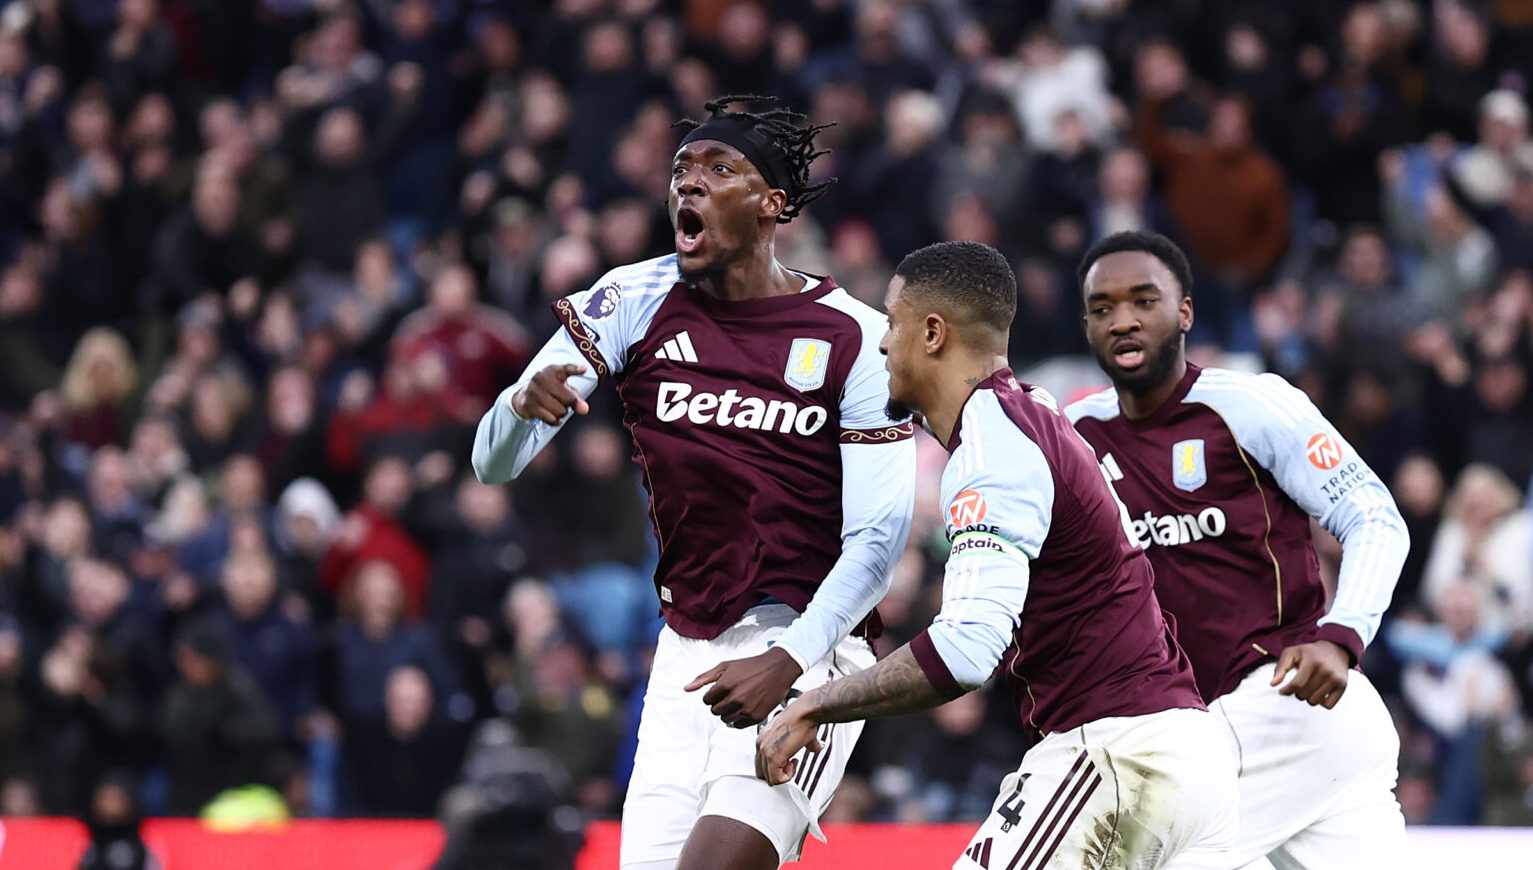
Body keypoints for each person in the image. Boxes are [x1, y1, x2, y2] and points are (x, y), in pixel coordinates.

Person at [471, 95, 916, 870]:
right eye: (682, 169)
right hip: (685, 657)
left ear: (771, 205)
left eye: (720, 169)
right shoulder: (631, 300)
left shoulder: (853, 336)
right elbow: (491, 462)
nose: (690, 183)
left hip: (811, 650)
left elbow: (878, 541)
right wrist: (516, 406)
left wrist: (789, 663)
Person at [756, 241, 1237, 869]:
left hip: (1118, 753)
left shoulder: (993, 447)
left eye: (892, 323)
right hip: (1187, 759)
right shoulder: (1033, 413)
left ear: (932, 333)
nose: (881, 344)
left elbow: (964, 652)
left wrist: (815, 704)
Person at [1066, 231, 1411, 869]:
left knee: (1134, 856)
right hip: (1226, 730)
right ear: (1085, 325)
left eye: (1144, 300)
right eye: (1103, 308)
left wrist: (1342, 636)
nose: (1124, 321)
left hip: (1285, 703)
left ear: (1186, 312)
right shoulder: (1077, 438)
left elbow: (1374, 516)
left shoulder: (1250, 405)